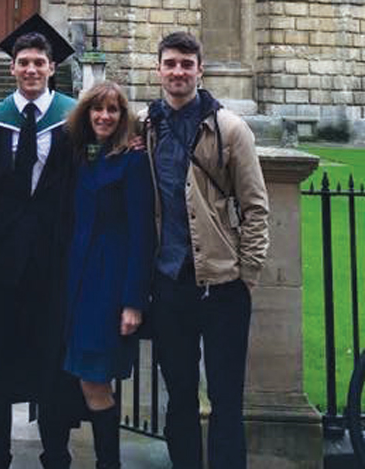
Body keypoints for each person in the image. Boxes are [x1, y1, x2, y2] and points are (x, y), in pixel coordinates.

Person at [140, 31, 269, 469]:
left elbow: (256, 208)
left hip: (223, 286)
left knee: (226, 397)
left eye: (186, 64)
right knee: (178, 396)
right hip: (170, 282)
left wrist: (246, 276)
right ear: (158, 69)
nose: (178, 72)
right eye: (170, 63)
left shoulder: (231, 128)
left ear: (200, 69)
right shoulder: (145, 126)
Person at [0, 14, 79, 469]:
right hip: (1, 266)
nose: (32, 69)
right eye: (24, 62)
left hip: (55, 264)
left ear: (52, 67)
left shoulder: (76, 119)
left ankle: (56, 451)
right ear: (12, 68)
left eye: (39, 62)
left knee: (54, 360)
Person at [63, 81, 155, 469]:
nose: (104, 116)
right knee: (85, 379)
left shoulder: (133, 161)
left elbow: (142, 235)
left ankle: (109, 464)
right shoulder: (83, 156)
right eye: (97, 109)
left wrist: (133, 301)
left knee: (94, 380)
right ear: (86, 113)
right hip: (76, 283)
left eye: (113, 110)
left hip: (108, 285)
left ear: (123, 117)